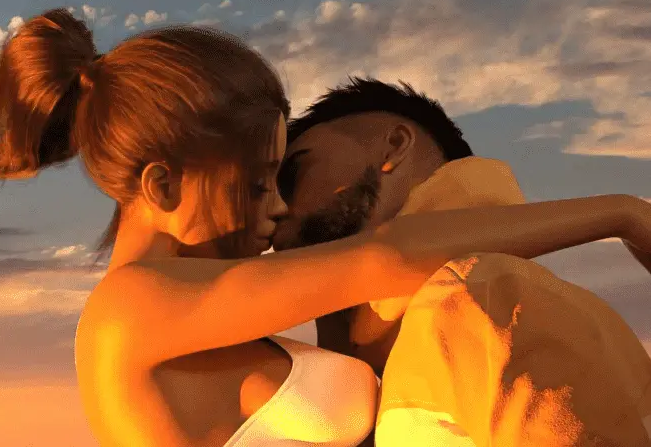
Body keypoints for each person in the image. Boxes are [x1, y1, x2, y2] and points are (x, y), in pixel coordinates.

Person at [0, 9, 651, 447]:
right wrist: (620, 211)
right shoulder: (129, 311)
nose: (278, 209)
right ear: (163, 186)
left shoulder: (193, 308)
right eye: (259, 183)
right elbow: (384, 257)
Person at [273, 77, 651, 446]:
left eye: (293, 173)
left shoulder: (473, 298)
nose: (274, 208)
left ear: (395, 146)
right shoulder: (420, 328)